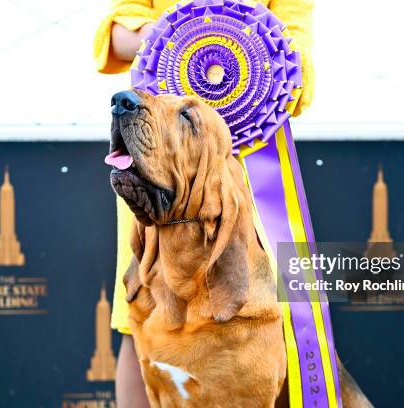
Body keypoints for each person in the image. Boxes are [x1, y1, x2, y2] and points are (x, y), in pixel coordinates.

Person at [93, 1, 314, 406]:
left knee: (250, 306)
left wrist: (247, 51)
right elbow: (116, 32)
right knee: (140, 310)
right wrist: (168, 40)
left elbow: (299, 58)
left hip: (247, 165)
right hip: (155, 157)